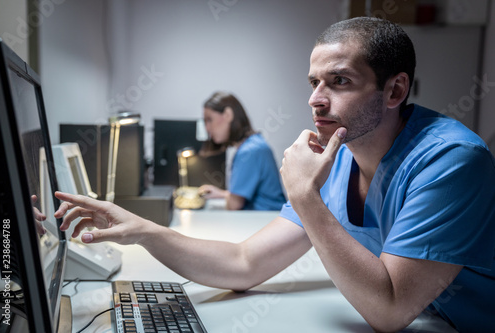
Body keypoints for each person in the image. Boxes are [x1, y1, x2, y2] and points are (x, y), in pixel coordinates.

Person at [55, 17, 495, 332]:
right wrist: (145, 232)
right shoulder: (340, 156)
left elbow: (389, 310)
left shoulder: (451, 160)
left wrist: (306, 197)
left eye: (339, 81)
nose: (316, 100)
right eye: (313, 83)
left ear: (395, 89)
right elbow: (245, 264)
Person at [197, 91, 286, 210]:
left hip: (265, 219)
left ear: (228, 115)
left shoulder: (249, 151)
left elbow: (234, 205)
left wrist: (228, 198)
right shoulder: (254, 144)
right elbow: (241, 197)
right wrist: (221, 194)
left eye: (209, 120)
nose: (207, 128)